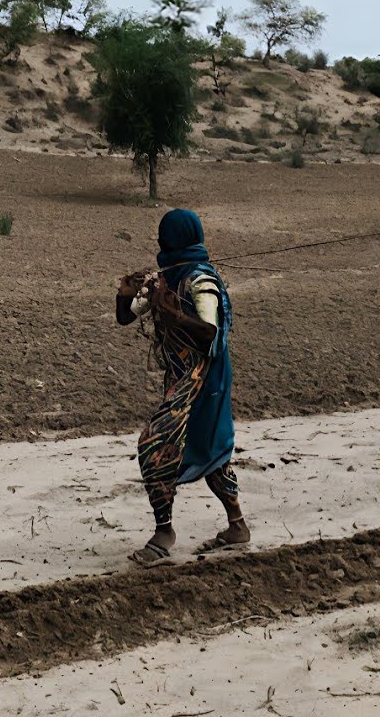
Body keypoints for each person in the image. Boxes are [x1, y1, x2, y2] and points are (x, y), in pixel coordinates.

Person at [116, 209, 248, 566]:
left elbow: (211, 333)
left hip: (205, 379)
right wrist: (125, 292)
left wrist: (172, 313)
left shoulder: (200, 280)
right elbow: (127, 315)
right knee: (209, 453)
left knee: (156, 443)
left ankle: (164, 533)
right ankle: (237, 526)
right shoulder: (168, 278)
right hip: (180, 378)